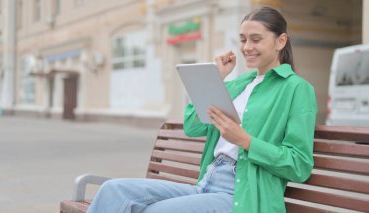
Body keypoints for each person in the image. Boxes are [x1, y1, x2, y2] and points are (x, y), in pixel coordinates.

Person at [87, 6, 317, 213]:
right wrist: (214, 78)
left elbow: (299, 165)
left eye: (256, 39)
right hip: (207, 182)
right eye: (243, 39)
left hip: (242, 195)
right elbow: (193, 126)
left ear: (280, 41)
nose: (247, 47)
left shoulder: (296, 89)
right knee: (113, 190)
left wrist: (246, 141)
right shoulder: (238, 84)